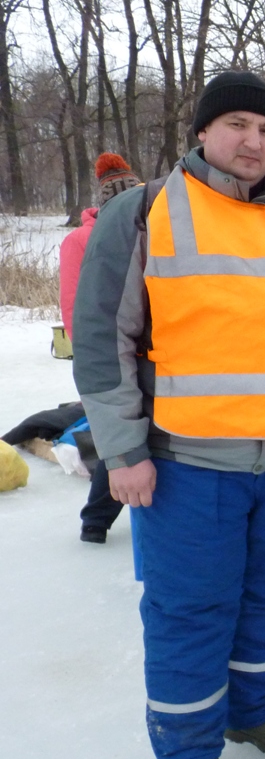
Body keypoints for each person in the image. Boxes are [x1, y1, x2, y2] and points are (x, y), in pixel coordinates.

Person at [71, 70, 265, 759]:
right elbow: (105, 342)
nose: (253, 141)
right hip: (189, 462)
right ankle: (189, 750)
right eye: (237, 124)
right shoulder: (145, 214)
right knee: (191, 608)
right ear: (203, 132)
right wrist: (122, 451)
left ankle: (255, 710)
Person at [59, 153, 143, 545]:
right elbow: (78, 301)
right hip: (109, 352)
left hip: (149, 347)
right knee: (119, 435)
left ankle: (99, 519)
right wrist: (91, 356)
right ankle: (96, 519)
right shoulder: (81, 239)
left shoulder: (153, 224)